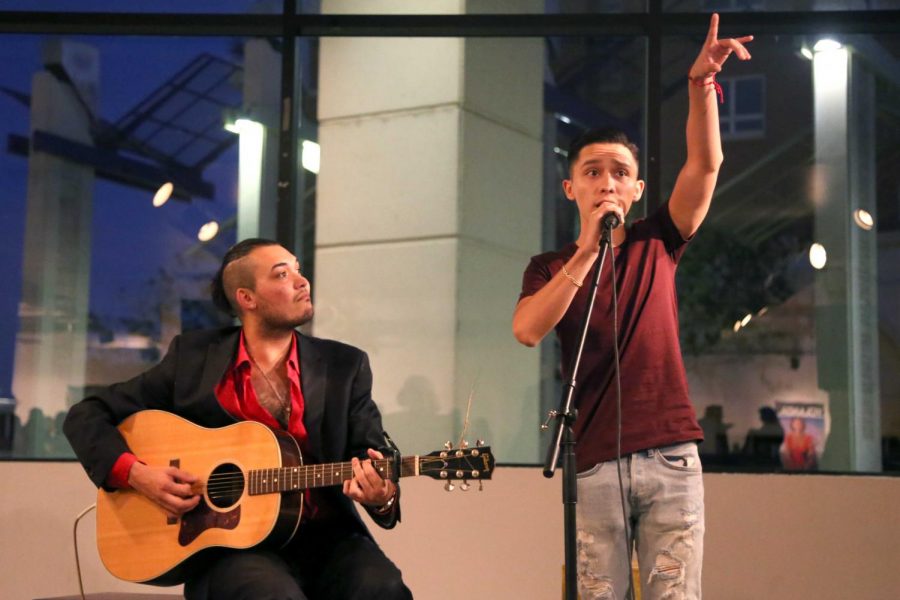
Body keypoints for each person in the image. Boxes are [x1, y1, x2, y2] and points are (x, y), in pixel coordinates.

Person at [512, 14, 752, 600]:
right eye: (592, 173)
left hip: (670, 455)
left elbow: (705, 166)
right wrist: (587, 251)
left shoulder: (658, 240)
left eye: (620, 173)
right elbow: (525, 330)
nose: (607, 184)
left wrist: (700, 87)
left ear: (637, 189)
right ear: (571, 188)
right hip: (592, 462)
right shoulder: (549, 267)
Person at [64, 238, 412, 600]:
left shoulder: (345, 366)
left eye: (298, 269)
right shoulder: (194, 359)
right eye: (282, 274)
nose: (301, 281)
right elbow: (86, 414)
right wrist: (137, 473)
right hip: (228, 549)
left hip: (325, 537)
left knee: (382, 588)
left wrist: (381, 496)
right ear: (247, 298)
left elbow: (370, 452)